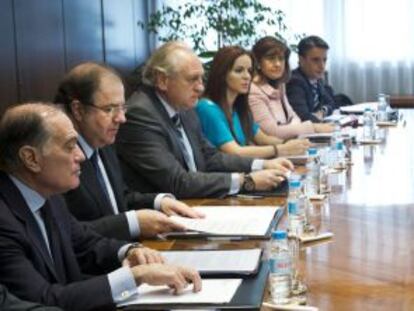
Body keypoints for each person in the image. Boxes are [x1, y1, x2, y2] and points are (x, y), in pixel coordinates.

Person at [0, 103, 201, 311]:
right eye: (70, 146)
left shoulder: (47, 194)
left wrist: (130, 251)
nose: (81, 156)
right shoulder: (4, 220)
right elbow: (44, 299)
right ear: (31, 158)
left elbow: (85, 244)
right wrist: (135, 277)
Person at [116, 41, 294, 199]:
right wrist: (245, 181)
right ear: (162, 80)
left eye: (201, 78)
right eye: (193, 79)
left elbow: (210, 157)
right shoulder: (140, 114)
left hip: (197, 203)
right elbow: (178, 181)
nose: (200, 88)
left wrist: (262, 164)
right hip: (162, 219)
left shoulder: (185, 107)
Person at [54, 62, 203, 241]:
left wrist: (159, 202)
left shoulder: (104, 142)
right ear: (78, 110)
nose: (121, 118)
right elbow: (68, 232)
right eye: (109, 109)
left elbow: (119, 199)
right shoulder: (61, 160)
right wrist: (132, 222)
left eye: (122, 108)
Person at [196, 45, 311, 159]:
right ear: (222, 73)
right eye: (239, 70)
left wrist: (293, 145)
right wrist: (281, 149)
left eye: (249, 71)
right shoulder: (207, 108)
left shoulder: (237, 107)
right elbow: (234, 152)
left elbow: (263, 139)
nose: (247, 76)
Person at [249, 36, 333, 139]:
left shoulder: (280, 85)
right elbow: (272, 132)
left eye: (281, 58)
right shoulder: (254, 91)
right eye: (271, 58)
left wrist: (289, 128)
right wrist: (313, 127)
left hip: (290, 142)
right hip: (271, 149)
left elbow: (294, 117)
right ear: (258, 62)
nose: (277, 64)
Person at [286, 35, 345, 122]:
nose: (322, 66)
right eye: (315, 60)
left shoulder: (316, 79)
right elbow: (303, 117)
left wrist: (322, 112)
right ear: (301, 60)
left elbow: (332, 103)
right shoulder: (295, 82)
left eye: (324, 60)